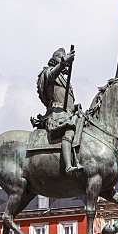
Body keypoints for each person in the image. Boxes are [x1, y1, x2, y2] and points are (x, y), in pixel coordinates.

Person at [32, 47, 84, 175]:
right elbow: (51, 75)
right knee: (69, 132)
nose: (66, 66)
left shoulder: (64, 80)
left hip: (68, 114)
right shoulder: (48, 72)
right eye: (64, 62)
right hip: (57, 114)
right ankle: (68, 166)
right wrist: (63, 63)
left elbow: (69, 103)